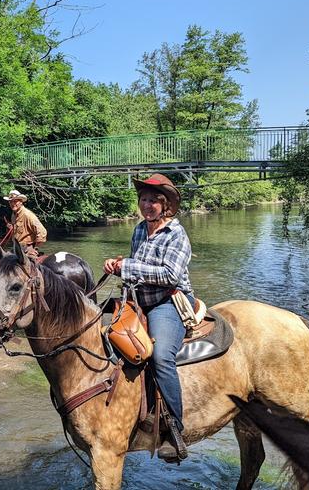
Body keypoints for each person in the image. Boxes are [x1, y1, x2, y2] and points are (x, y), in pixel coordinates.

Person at [102, 173, 193, 461]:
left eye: (154, 200)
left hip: (168, 301)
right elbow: (137, 265)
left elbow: (170, 275)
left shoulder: (176, 234)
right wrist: (117, 265)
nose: (147, 204)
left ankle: (174, 431)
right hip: (140, 299)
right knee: (103, 338)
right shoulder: (140, 230)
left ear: (165, 205)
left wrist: (127, 267)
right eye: (144, 199)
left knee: (161, 355)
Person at [4, 189, 47, 256]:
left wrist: (35, 248)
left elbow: (42, 232)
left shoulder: (27, 215)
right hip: (17, 248)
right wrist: (11, 229)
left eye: (15, 201)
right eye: (10, 202)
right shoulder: (13, 215)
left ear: (21, 202)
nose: (12, 204)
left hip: (27, 249)